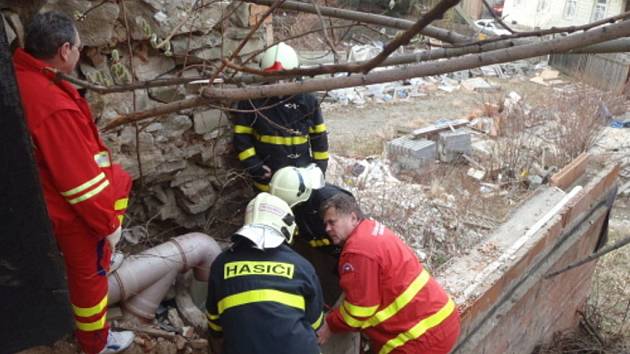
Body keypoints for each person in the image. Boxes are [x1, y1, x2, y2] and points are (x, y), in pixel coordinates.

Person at [13, 11, 134, 354]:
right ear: (64, 50)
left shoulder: (25, 75)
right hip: (71, 214)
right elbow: (80, 186)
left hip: (42, 198)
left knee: (120, 179)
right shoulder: (52, 105)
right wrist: (108, 225)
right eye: (79, 48)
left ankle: (106, 257)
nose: (81, 54)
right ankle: (95, 342)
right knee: (90, 280)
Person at [317, 193, 461, 354]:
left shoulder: (358, 251)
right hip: (440, 319)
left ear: (353, 217)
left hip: (419, 337)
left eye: (332, 222)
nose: (327, 229)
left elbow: (360, 309)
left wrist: (331, 323)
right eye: (325, 224)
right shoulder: (371, 229)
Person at [206, 192, 324, 354]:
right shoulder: (302, 267)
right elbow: (316, 324)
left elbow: (215, 325)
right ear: (286, 226)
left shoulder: (221, 264)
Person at [232, 42, 329, 192]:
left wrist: (319, 169)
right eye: (273, 78)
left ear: (294, 75)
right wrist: (254, 166)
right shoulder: (251, 101)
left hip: (302, 180)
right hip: (268, 180)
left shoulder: (308, 100)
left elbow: (319, 138)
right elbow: (241, 137)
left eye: (284, 78)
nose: (279, 84)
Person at [269, 164, 354, 305]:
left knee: (337, 289)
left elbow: (355, 236)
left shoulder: (331, 201)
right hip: (313, 244)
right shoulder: (290, 198)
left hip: (339, 252)